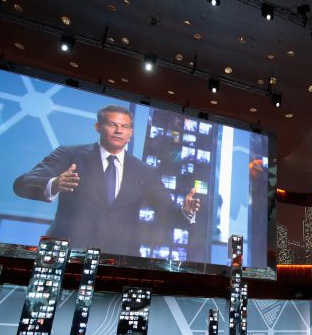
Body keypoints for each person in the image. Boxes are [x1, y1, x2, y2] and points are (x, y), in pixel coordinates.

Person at [13, 105, 201, 256]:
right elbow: (22, 184)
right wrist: (53, 184)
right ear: (98, 127)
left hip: (118, 260)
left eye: (125, 127)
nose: (119, 131)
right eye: (112, 124)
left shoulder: (145, 171)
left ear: (131, 132)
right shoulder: (69, 154)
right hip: (67, 254)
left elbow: (167, 212)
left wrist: (185, 211)